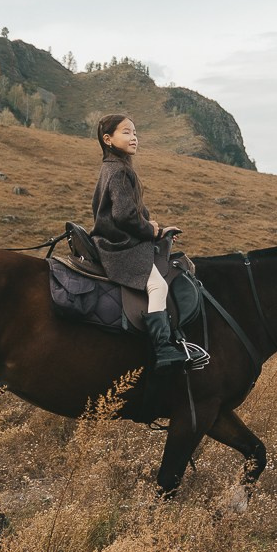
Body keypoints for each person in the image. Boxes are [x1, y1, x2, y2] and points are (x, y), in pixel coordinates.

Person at [90, 114, 188, 371]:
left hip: (122, 240)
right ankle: (163, 348)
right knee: (157, 286)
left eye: (135, 133)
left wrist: (159, 229)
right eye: (126, 132)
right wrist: (152, 232)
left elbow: (133, 215)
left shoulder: (114, 167)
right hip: (119, 247)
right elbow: (125, 216)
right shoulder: (119, 170)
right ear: (108, 139)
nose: (133, 137)